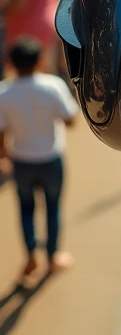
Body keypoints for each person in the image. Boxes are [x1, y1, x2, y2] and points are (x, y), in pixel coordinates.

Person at [0, 36, 77, 277]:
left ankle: (31, 254)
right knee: (52, 207)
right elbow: (70, 120)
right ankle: (53, 256)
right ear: (40, 60)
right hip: (51, 158)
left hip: (21, 159)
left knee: (25, 208)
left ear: (11, 63)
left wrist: (3, 156)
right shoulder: (52, 86)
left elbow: (1, 133)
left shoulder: (4, 92)